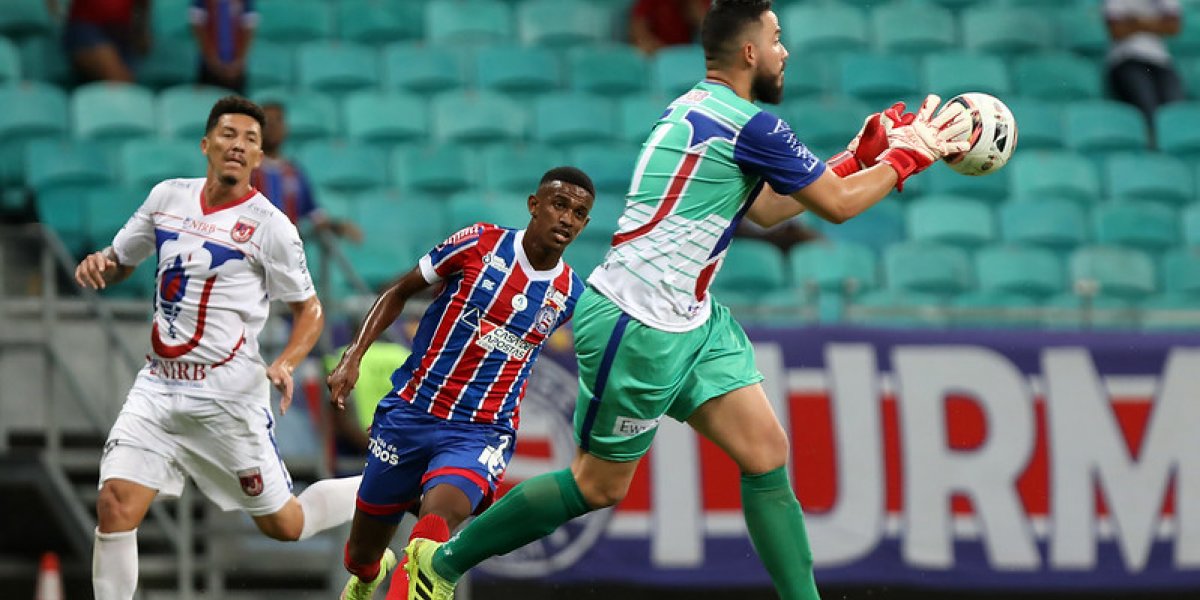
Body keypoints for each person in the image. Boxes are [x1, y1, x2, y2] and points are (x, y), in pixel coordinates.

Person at [402, 2, 969, 600]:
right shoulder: (753, 126)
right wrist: (911, 154)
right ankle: (440, 565)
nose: (784, 51)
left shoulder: (697, 108)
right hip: (636, 321)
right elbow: (839, 206)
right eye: (776, 38)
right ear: (749, 51)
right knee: (598, 485)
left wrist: (858, 158)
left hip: (691, 318)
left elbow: (766, 208)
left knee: (765, 451)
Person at [75, 96, 363, 600]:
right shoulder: (167, 197)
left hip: (228, 398)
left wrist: (286, 362)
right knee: (115, 505)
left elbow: (310, 310)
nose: (239, 145)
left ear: (258, 158)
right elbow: (121, 260)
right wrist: (101, 263)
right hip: (158, 389)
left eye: (251, 140)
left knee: (286, 524)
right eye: (229, 135)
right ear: (206, 144)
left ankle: (386, 480)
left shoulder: (272, 226)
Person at [326, 167, 595, 600]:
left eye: (579, 213)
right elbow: (398, 291)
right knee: (360, 555)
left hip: (480, 430)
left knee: (431, 533)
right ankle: (371, 570)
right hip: (411, 412)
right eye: (559, 205)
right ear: (534, 205)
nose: (567, 219)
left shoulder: (571, 295)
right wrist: (353, 354)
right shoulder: (479, 243)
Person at [251, 101, 364, 243]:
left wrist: (337, 226)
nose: (273, 126)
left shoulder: (294, 173)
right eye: (267, 121)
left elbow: (313, 213)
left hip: (286, 250)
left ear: (286, 128)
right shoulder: (247, 172)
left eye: (278, 120)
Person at [1104, 0, 1185, 147]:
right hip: (1126, 59)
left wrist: (1135, 22)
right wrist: (1156, 23)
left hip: (1161, 61)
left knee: (1176, 111)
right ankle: (1154, 150)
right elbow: (1117, 30)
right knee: (1148, 108)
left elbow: (1174, 27)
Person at [55, 0, 150, 83]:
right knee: (120, 80)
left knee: (124, 81)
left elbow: (142, 5)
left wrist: (141, 31)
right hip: (85, 28)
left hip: (121, 32)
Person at [189, 0, 258, 94]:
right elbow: (197, 26)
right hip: (208, 65)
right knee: (208, 98)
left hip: (236, 69)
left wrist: (239, 61)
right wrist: (212, 60)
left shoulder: (246, 2)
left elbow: (249, 28)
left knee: (236, 99)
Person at [629, 0, 711, 55]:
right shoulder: (651, 2)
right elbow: (638, 30)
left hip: (686, 56)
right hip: (658, 54)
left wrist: (698, 13)